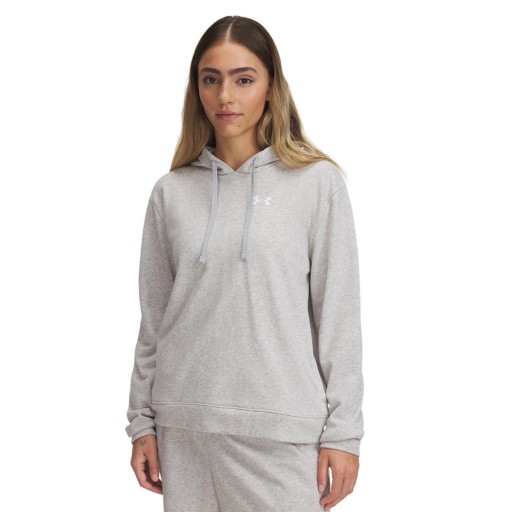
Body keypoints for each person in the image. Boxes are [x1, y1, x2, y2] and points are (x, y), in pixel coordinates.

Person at [125, 15, 365, 512]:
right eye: (211, 79)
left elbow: (338, 315)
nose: (225, 96)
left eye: (243, 79)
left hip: (281, 431)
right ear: (196, 89)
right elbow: (155, 320)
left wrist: (344, 432)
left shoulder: (316, 184)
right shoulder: (171, 192)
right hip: (184, 428)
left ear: (271, 88)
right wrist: (142, 422)